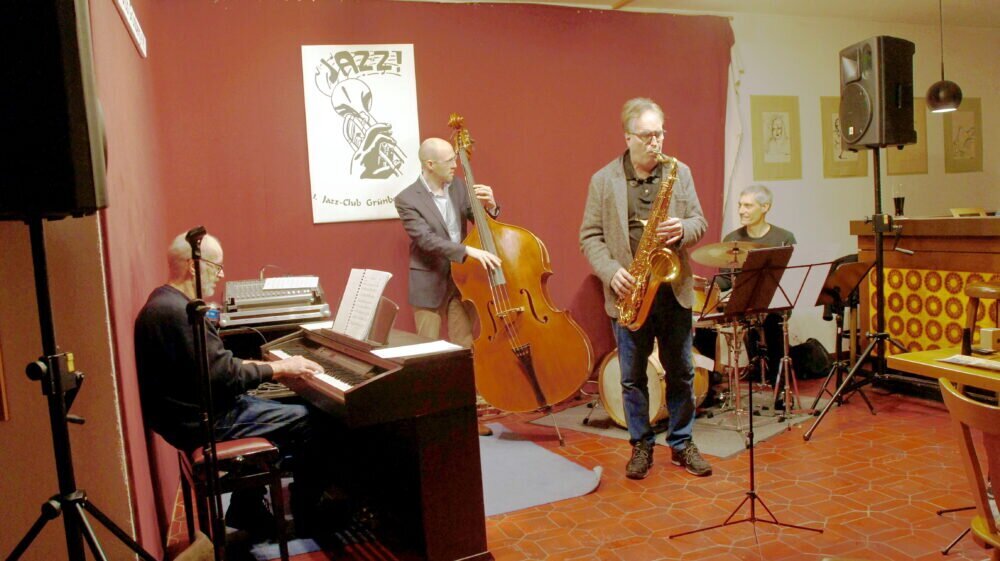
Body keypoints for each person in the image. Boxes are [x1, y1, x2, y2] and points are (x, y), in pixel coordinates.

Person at [135, 232, 330, 538]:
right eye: (217, 267)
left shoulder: (167, 303)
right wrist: (280, 367)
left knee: (289, 405)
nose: (221, 275)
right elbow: (225, 376)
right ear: (194, 266)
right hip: (203, 422)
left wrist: (264, 368)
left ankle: (247, 508)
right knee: (311, 420)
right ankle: (309, 515)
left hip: (196, 413)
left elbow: (215, 366)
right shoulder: (177, 313)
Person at [579, 97, 711, 479]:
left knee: (682, 372)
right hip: (629, 292)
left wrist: (683, 229)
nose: (656, 142)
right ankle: (641, 445)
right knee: (632, 377)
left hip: (672, 291)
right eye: (647, 136)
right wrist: (611, 272)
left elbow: (699, 221)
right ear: (628, 137)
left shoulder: (679, 172)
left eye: (660, 134)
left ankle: (682, 443)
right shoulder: (603, 180)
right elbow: (589, 236)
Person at [394, 137, 501, 436]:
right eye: (450, 160)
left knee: (464, 348)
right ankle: (429, 422)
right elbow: (425, 240)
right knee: (427, 353)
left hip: (462, 282)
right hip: (428, 281)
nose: (456, 164)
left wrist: (491, 207)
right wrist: (466, 251)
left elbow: (482, 223)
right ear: (430, 164)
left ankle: (467, 418)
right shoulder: (407, 199)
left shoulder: (459, 187)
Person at [716, 184, 796, 407]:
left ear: (765, 207)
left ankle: (781, 390)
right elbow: (725, 279)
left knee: (774, 322)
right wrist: (709, 288)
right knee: (706, 324)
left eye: (748, 206)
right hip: (743, 302)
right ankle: (711, 385)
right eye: (740, 205)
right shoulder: (732, 238)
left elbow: (791, 277)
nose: (742, 210)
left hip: (773, 302)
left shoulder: (784, 238)